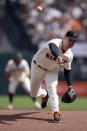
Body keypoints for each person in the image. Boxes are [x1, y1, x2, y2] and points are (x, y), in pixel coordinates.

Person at [30, 30, 78, 123]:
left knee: (52, 89)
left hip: (52, 70)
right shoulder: (55, 42)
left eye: (74, 41)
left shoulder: (69, 55)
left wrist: (70, 86)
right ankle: (45, 94)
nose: (71, 43)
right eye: (70, 40)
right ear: (65, 38)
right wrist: (57, 56)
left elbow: (67, 70)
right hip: (37, 66)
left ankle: (56, 112)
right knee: (33, 93)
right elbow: (53, 48)